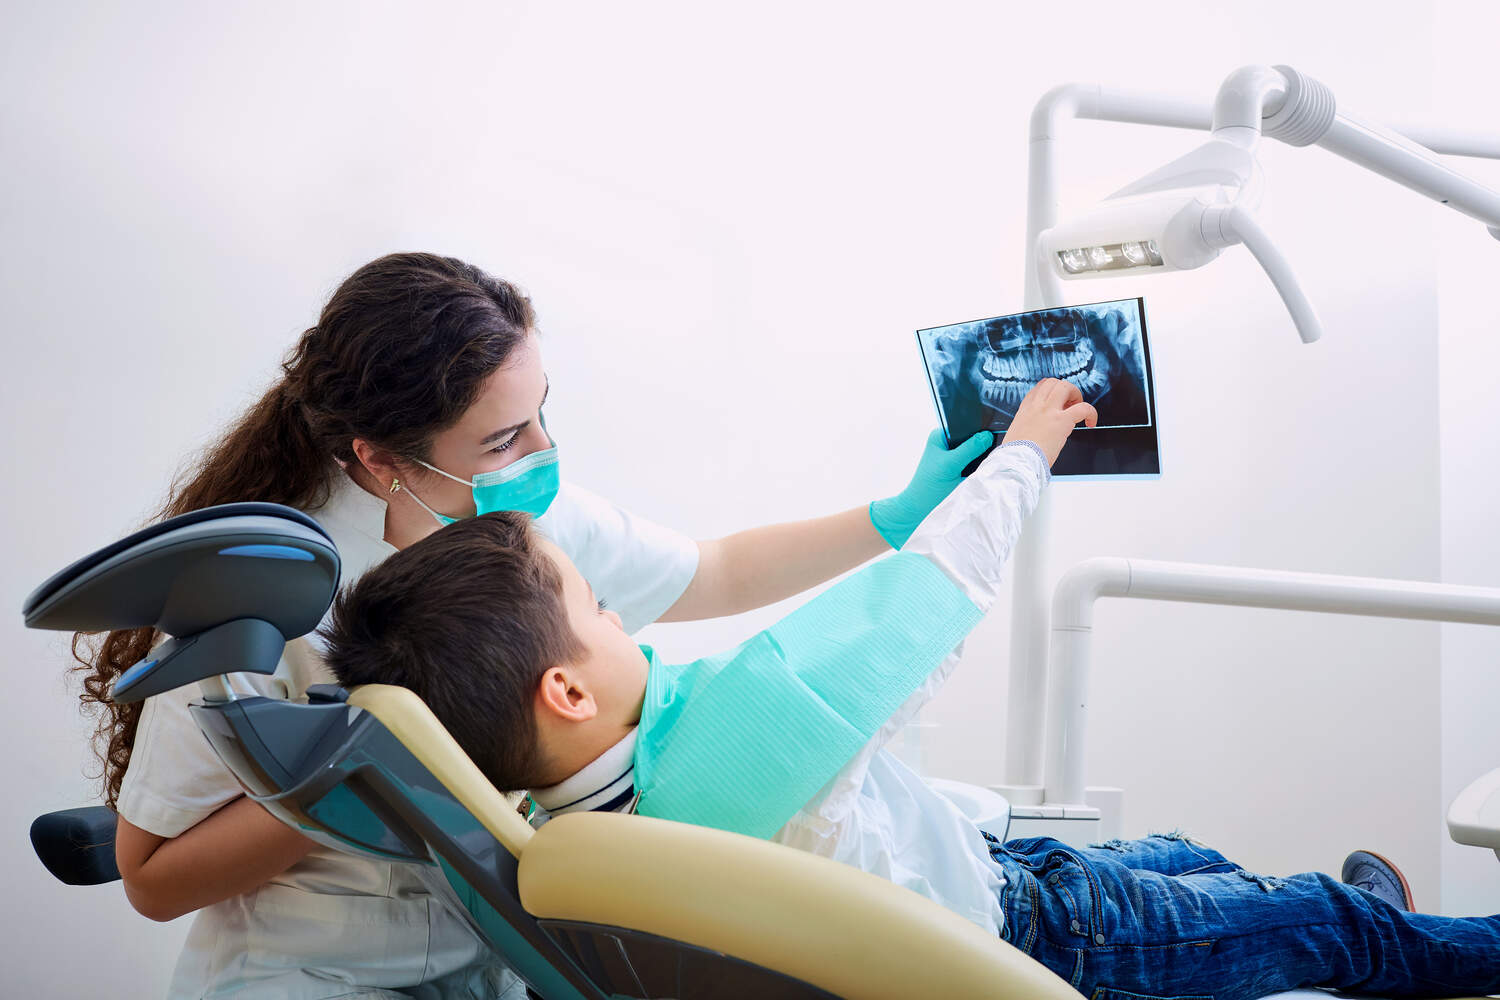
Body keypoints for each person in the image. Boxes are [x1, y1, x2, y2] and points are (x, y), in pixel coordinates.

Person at [322, 378, 1500, 1000]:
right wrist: (1027, 451)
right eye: (598, 610)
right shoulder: (733, 749)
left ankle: (1354, 913)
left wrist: (888, 506)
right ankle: (1390, 935)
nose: (620, 614)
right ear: (568, 693)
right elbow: (919, 603)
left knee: (1193, 855)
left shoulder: (560, 826)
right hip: (1055, 938)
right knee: (1313, 926)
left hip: (1000, 872)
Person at [73, 252, 994, 998]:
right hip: (315, 976)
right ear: (381, 459)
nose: (544, 453)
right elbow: (151, 878)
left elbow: (714, 571)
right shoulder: (262, 601)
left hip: (501, 963)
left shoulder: (526, 529)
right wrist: (373, 770)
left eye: (541, 415)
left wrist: (894, 519)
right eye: (503, 438)